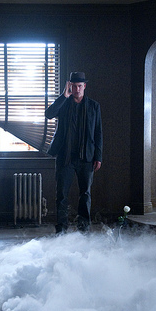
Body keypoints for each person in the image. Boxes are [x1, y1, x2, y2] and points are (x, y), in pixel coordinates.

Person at [45, 72, 103, 233]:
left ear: (84, 86)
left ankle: (84, 229)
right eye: (74, 86)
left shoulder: (93, 106)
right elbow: (49, 114)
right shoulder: (64, 103)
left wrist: (98, 157)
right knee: (62, 195)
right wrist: (64, 95)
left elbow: (98, 132)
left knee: (85, 194)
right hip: (65, 157)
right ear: (70, 86)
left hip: (86, 157)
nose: (77, 89)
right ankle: (61, 230)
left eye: (79, 86)